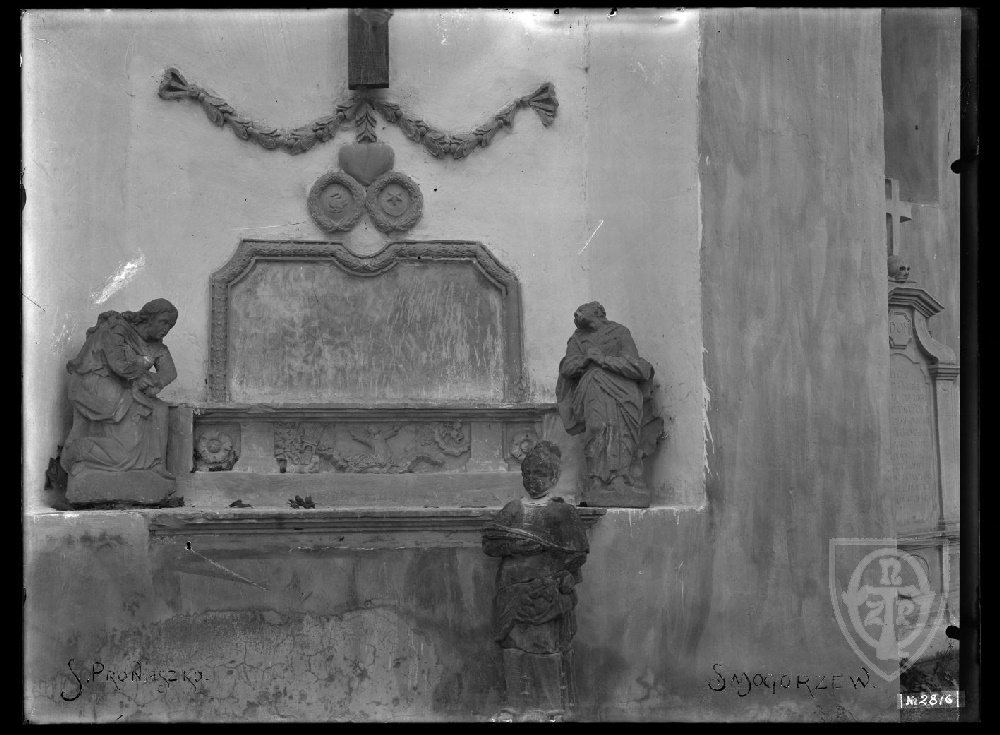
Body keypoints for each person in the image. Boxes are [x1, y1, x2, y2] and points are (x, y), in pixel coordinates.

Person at [482, 441, 589, 722]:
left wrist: (562, 576)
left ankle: (551, 706)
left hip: (544, 590)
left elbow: (577, 552)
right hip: (510, 589)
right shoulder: (512, 509)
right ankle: (514, 704)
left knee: (544, 645)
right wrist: (516, 546)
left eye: (540, 474)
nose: (532, 480)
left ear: (554, 477)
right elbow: (491, 543)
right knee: (512, 646)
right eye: (527, 474)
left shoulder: (562, 512)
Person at [60, 298, 179, 479]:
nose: (166, 328)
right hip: (95, 383)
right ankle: (83, 451)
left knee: (160, 409)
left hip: (123, 386)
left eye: (170, 325)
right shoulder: (117, 329)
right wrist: (142, 379)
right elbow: (118, 364)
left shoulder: (157, 347)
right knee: (140, 407)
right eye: (163, 322)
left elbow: (170, 372)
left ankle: (156, 464)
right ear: (149, 318)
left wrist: (155, 381)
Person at [556, 301, 654, 494]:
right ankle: (596, 479)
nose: (576, 314)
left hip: (624, 391)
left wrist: (603, 359)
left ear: (597, 312)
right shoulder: (577, 339)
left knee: (623, 432)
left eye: (581, 310)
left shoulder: (619, 332)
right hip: (593, 387)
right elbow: (567, 368)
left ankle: (621, 477)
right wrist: (584, 361)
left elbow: (634, 364)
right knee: (596, 428)